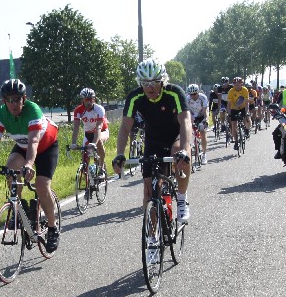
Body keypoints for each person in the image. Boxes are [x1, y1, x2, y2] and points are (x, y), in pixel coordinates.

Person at [112, 59, 192, 263]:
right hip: (153, 142)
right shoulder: (135, 97)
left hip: (175, 137)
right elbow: (125, 127)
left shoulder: (174, 93)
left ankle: (181, 198)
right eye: (145, 83)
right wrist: (120, 154)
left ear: (162, 80)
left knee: (180, 154)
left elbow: (185, 121)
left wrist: (184, 149)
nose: (150, 87)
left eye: (155, 82)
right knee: (149, 194)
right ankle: (152, 240)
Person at [0, 79, 61, 252]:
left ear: (24, 99)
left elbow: (34, 141)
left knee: (41, 186)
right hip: (23, 146)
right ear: (4, 101)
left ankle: (52, 228)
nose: (14, 103)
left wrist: (29, 164)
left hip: (46, 147)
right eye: (9, 100)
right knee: (11, 169)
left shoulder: (32, 110)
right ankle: (19, 208)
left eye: (17, 99)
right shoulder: (1, 114)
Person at [69, 87, 109, 173]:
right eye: (86, 99)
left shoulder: (99, 109)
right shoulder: (78, 110)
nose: (89, 102)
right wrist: (73, 143)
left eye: (91, 99)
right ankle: (87, 177)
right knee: (84, 156)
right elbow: (76, 127)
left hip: (102, 131)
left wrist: (94, 142)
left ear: (94, 99)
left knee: (98, 141)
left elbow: (98, 127)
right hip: (88, 134)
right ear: (82, 100)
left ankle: (101, 167)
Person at [185, 83, 209, 161]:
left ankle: (204, 154)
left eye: (195, 94)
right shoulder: (187, 98)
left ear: (198, 92)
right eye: (191, 94)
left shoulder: (203, 98)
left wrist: (205, 120)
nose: (193, 96)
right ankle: (191, 147)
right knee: (188, 131)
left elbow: (205, 111)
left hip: (201, 115)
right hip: (192, 115)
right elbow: (186, 111)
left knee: (202, 131)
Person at [226, 76, 251, 150]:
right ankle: (236, 142)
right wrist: (229, 113)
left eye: (238, 85)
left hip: (243, 107)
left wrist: (247, 112)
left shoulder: (245, 90)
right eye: (235, 85)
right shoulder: (231, 91)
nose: (237, 86)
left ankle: (247, 130)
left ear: (241, 84)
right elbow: (229, 104)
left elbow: (246, 103)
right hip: (234, 108)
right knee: (234, 125)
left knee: (247, 119)